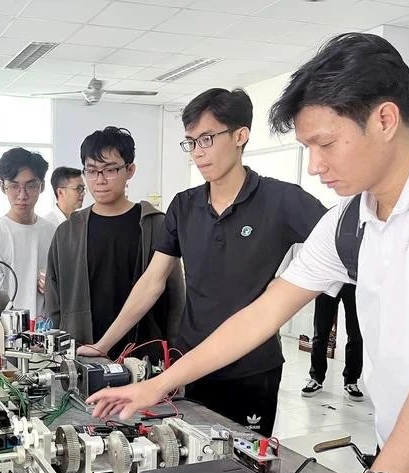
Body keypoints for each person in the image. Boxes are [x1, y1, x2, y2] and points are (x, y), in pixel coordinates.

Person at [87, 32, 409, 473]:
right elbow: (262, 315)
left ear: (384, 119)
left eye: (325, 143)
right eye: (307, 147)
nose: (315, 166)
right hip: (402, 460)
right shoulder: (349, 221)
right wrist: (157, 385)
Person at [79, 91, 326, 436]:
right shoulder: (184, 206)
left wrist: (288, 284)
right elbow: (152, 282)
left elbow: (336, 247)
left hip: (252, 367)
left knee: (244, 459)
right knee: (190, 451)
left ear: (240, 136)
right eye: (191, 142)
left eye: (207, 139)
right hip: (190, 363)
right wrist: (103, 345)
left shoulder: (283, 200)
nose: (197, 152)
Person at [44, 127, 184, 361]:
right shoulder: (68, 232)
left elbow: (176, 300)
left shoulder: (155, 226)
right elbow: (54, 302)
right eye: (91, 171)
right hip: (83, 355)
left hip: (144, 357)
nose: (99, 180)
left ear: (130, 170)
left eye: (110, 170)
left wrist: (176, 356)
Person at [0, 148, 56, 319]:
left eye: (30, 186)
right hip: (10, 331)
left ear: (42, 186)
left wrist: (54, 286)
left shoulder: (51, 231)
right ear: (2, 187)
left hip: (48, 328)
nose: (22, 195)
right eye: (14, 186)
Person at [302, 283, 364, 401]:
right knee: (320, 332)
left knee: (355, 334)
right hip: (329, 279)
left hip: (353, 281)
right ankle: (316, 378)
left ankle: (351, 381)